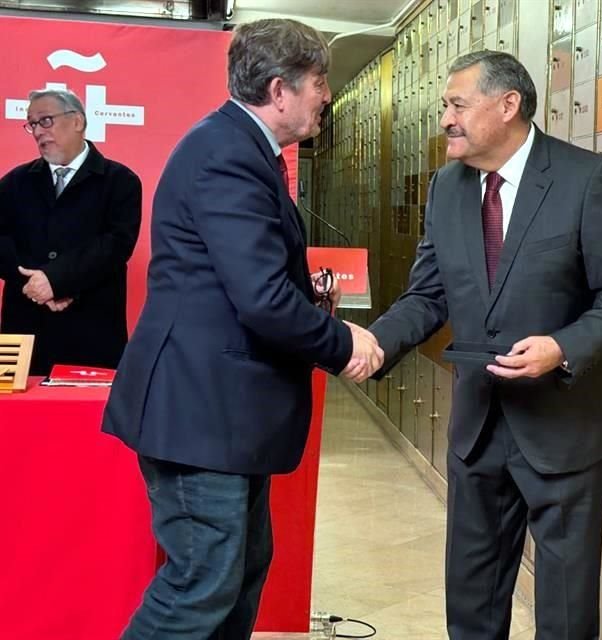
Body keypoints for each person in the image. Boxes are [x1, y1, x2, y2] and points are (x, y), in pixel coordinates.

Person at [101, 19, 383, 639]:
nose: (327, 96)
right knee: (200, 584)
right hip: (201, 413)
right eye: (319, 83)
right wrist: (343, 344)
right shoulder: (227, 154)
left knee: (238, 571)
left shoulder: (239, 147)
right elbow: (261, 298)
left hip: (222, 414)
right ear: (280, 90)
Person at [367, 51, 602, 639]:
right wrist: (373, 344)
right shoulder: (447, 188)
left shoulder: (587, 179)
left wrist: (561, 347)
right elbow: (429, 294)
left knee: (565, 614)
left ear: (508, 105)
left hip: (565, 426)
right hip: (479, 427)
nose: (445, 118)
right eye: (444, 106)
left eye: (456, 105)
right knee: (471, 605)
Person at [0, 88, 142, 375]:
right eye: (32, 124)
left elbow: (114, 246)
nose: (38, 131)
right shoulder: (15, 182)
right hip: (25, 332)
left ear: (77, 121)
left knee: (90, 416)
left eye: (46, 120)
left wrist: (56, 280)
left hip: (91, 331)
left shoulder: (120, 181)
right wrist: (35, 286)